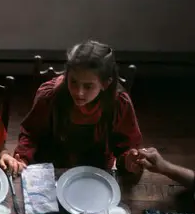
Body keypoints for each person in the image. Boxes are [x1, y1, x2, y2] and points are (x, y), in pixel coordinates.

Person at [15, 40, 144, 175]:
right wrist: (23, 159)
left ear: (105, 84)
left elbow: (126, 146)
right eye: (73, 82)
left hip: (94, 174)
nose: (79, 92)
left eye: (88, 86)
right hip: (50, 170)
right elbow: (30, 134)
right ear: (66, 76)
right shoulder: (49, 97)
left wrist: (129, 160)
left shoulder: (119, 104)